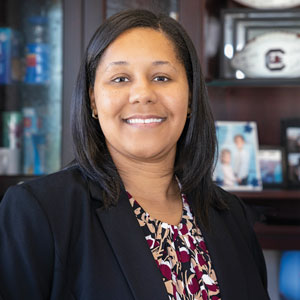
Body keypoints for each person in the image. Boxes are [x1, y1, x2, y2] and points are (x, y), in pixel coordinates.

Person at [0, 9, 270, 300]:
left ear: (190, 97)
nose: (143, 94)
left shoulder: (231, 215)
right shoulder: (39, 212)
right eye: (120, 79)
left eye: (162, 77)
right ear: (92, 99)